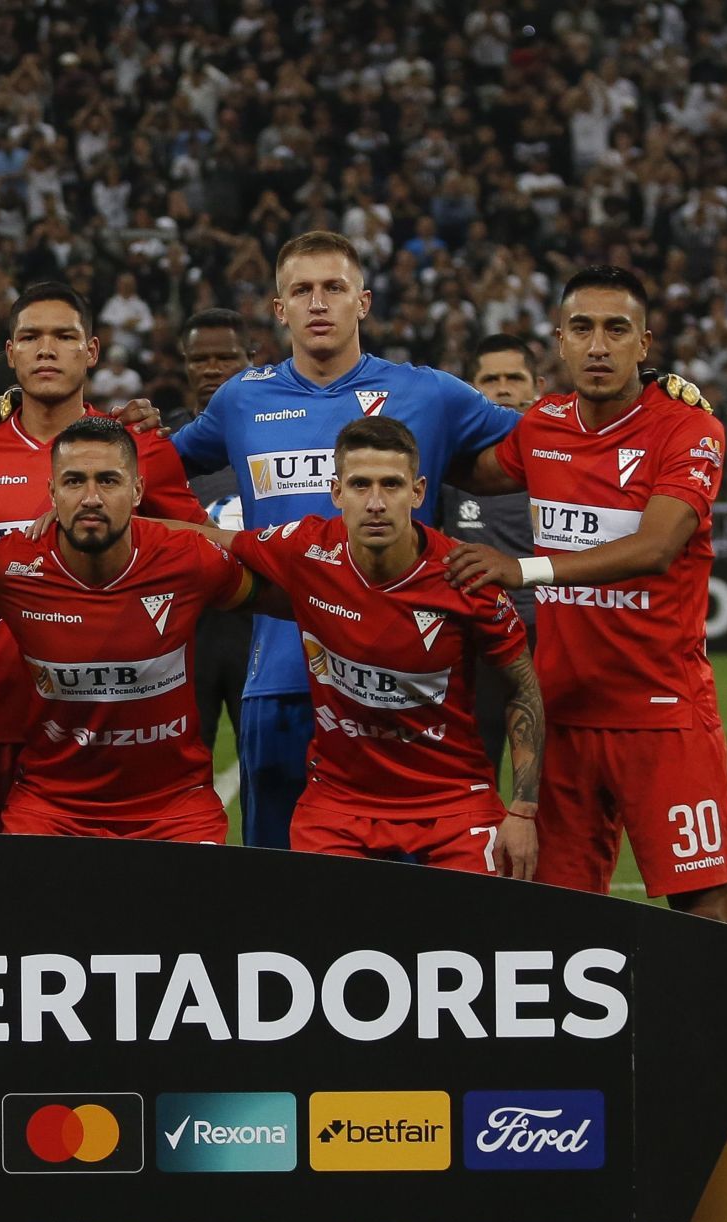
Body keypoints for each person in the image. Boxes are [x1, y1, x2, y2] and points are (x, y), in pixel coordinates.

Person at [170, 231, 520, 851]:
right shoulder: (242, 399)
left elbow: (544, 445)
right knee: (284, 888)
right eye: (302, 291)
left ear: (363, 301)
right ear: (280, 310)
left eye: (334, 288)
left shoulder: (430, 394)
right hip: (278, 676)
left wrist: (647, 399)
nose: (318, 303)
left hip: (403, 682)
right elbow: (147, 469)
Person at [446, 266, 727, 922]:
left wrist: (525, 569)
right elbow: (467, 469)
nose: (598, 345)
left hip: (661, 714)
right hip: (564, 715)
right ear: (560, 341)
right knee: (558, 914)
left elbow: (656, 548)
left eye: (616, 329)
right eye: (582, 328)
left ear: (645, 343)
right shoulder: (542, 424)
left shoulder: (689, 430)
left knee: (705, 908)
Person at [224, 418, 542, 877]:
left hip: (453, 802)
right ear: (337, 493)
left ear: (417, 492)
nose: (376, 503)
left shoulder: (466, 576)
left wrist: (523, 810)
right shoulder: (308, 549)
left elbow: (524, 688)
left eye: (391, 485)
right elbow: (209, 542)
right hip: (338, 803)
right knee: (318, 938)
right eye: (360, 485)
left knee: (481, 939)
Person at [0, 281, 210, 832]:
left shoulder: (138, 444)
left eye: (64, 336)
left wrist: (109, 529)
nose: (47, 350)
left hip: (113, 707)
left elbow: (201, 551)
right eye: (32, 337)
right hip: (2, 700)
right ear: (11, 352)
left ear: (90, 351)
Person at [0, 417, 259, 843]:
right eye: (74, 482)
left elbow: (286, 598)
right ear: (53, 493)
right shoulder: (12, 568)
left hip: (175, 809)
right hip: (52, 808)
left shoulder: (188, 560)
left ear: (137, 491)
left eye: (108, 481)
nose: (91, 497)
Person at [441, 334, 543, 779]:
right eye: (490, 379)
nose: (503, 389)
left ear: (536, 385)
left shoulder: (561, 461)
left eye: (514, 378)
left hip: (547, 637)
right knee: (471, 778)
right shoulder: (451, 465)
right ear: (472, 388)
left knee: (550, 784)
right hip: (474, 639)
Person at [167, 309, 257, 759]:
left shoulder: (273, 434)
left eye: (226, 357)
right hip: (187, 627)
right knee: (181, 765)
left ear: (252, 358)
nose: (212, 369)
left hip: (261, 619)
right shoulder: (162, 443)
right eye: (200, 359)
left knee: (267, 764)